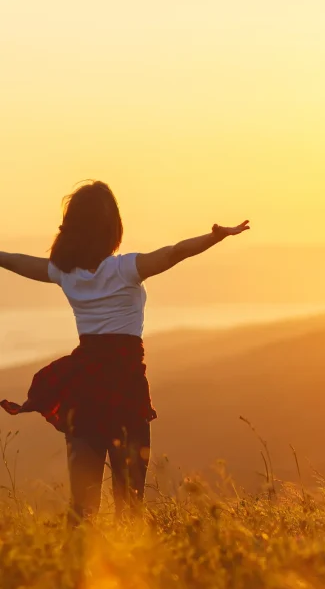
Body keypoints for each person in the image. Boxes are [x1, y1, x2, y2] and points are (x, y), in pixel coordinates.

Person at [0, 180, 249, 524]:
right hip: (125, 390)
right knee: (130, 505)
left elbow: (14, 260)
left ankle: (75, 570)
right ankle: (129, 568)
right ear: (112, 228)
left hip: (84, 388)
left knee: (83, 507)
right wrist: (215, 237)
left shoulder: (64, 274)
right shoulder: (125, 268)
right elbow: (175, 251)